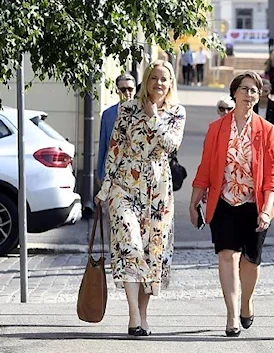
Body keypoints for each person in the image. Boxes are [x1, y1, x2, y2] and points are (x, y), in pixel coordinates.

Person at [94, 60, 186, 336]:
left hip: (157, 190)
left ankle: (143, 316)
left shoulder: (176, 113)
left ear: (170, 84)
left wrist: (154, 116)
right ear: (146, 80)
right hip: (125, 186)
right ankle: (133, 314)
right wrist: (105, 188)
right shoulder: (126, 108)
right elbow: (114, 149)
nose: (159, 83)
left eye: (164, 79)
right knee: (130, 245)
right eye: (154, 78)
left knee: (150, 253)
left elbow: (171, 144)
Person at [189, 71, 274, 337]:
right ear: (234, 92)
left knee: (251, 261)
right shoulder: (216, 129)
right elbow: (205, 167)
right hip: (224, 201)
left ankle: (246, 303)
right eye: (244, 89)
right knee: (227, 256)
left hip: (254, 203)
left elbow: (271, 172)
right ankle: (231, 316)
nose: (249, 94)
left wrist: (267, 207)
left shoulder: (266, 129)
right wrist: (195, 202)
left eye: (254, 90)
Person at [96, 74, 136, 184]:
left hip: (133, 173)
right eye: (123, 90)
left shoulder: (142, 113)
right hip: (111, 171)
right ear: (117, 91)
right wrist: (99, 173)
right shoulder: (108, 114)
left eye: (130, 89)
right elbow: (103, 146)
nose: (127, 93)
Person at [253, 79, 274, 157]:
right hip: (254, 144)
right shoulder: (252, 107)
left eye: (266, 91)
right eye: (261, 91)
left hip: (272, 144)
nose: (263, 95)